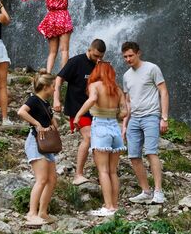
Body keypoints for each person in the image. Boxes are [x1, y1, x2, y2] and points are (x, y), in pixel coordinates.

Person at [6, 0, 107, 72]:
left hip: (51, 20)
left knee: (52, 52)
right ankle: (63, 74)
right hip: (63, 19)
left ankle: (48, 73)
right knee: (64, 50)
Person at [74, 62, 128, 217]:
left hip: (101, 127)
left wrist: (78, 115)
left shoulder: (95, 85)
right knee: (112, 171)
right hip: (115, 129)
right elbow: (124, 111)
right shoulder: (117, 89)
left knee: (103, 171)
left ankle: (108, 207)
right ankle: (115, 206)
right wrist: (114, 114)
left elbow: (92, 99)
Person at [121, 41, 170, 205]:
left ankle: (158, 191)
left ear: (138, 53)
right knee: (134, 156)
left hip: (151, 116)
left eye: (130, 55)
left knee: (151, 152)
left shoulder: (152, 68)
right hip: (134, 118)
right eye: (125, 57)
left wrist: (164, 118)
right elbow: (128, 101)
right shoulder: (126, 76)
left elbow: (163, 92)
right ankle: (146, 191)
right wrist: (124, 124)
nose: (128, 59)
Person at [53, 39, 107, 185]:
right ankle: (78, 175)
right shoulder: (76, 62)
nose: (98, 59)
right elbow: (59, 79)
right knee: (88, 137)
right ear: (89, 50)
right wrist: (56, 99)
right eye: (96, 56)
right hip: (77, 108)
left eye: (101, 57)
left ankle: (103, 175)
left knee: (99, 141)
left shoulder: (101, 65)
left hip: (95, 110)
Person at [17, 69, 59, 226]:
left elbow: (51, 120)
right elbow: (21, 112)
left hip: (46, 143)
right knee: (41, 179)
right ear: (46, 86)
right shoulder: (33, 100)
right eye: (53, 86)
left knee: (52, 179)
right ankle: (31, 213)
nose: (55, 89)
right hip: (35, 142)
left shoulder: (45, 103)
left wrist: (53, 122)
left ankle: (43, 212)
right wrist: (37, 124)